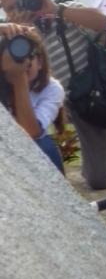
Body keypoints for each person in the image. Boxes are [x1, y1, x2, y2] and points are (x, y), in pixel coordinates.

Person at [0, 0, 106, 189]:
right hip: (45, 99)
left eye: (21, 2)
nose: (18, 11)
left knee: (98, 179)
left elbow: (103, 22)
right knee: (40, 143)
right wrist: (14, 32)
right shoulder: (12, 35)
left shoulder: (62, 10)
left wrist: (55, 9)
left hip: (84, 99)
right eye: (10, 9)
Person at [0, 23, 65, 172]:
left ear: (40, 62)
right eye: (14, 52)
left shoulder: (52, 88)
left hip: (24, 148)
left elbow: (31, 132)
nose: (24, 61)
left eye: (30, 54)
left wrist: (19, 79)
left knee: (46, 146)